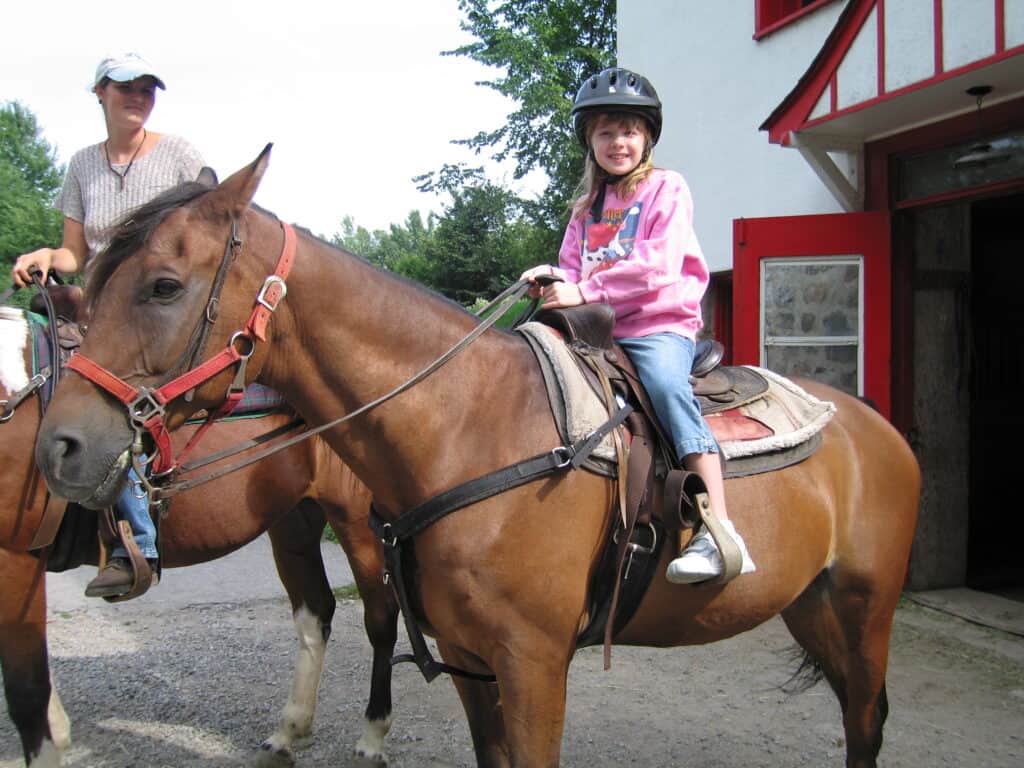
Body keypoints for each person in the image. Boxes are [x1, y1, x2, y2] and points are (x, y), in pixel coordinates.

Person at [522, 66, 756, 584]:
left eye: (628, 130)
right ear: (590, 140)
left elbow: (657, 264)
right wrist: (552, 277)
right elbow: (574, 270)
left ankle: (721, 529)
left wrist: (583, 289)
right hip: (596, 329)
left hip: (656, 327)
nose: (618, 142)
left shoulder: (666, 189)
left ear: (647, 136)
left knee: (669, 390)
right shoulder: (585, 210)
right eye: (605, 131)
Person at [11, 52, 205, 597]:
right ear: (99, 92)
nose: (138, 97)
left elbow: (206, 233)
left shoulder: (179, 156)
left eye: (148, 88)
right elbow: (76, 252)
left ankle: (137, 543)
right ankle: (44, 514)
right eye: (126, 87)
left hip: (159, 308)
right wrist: (48, 253)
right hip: (100, 309)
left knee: (110, 397)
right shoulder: (81, 165)